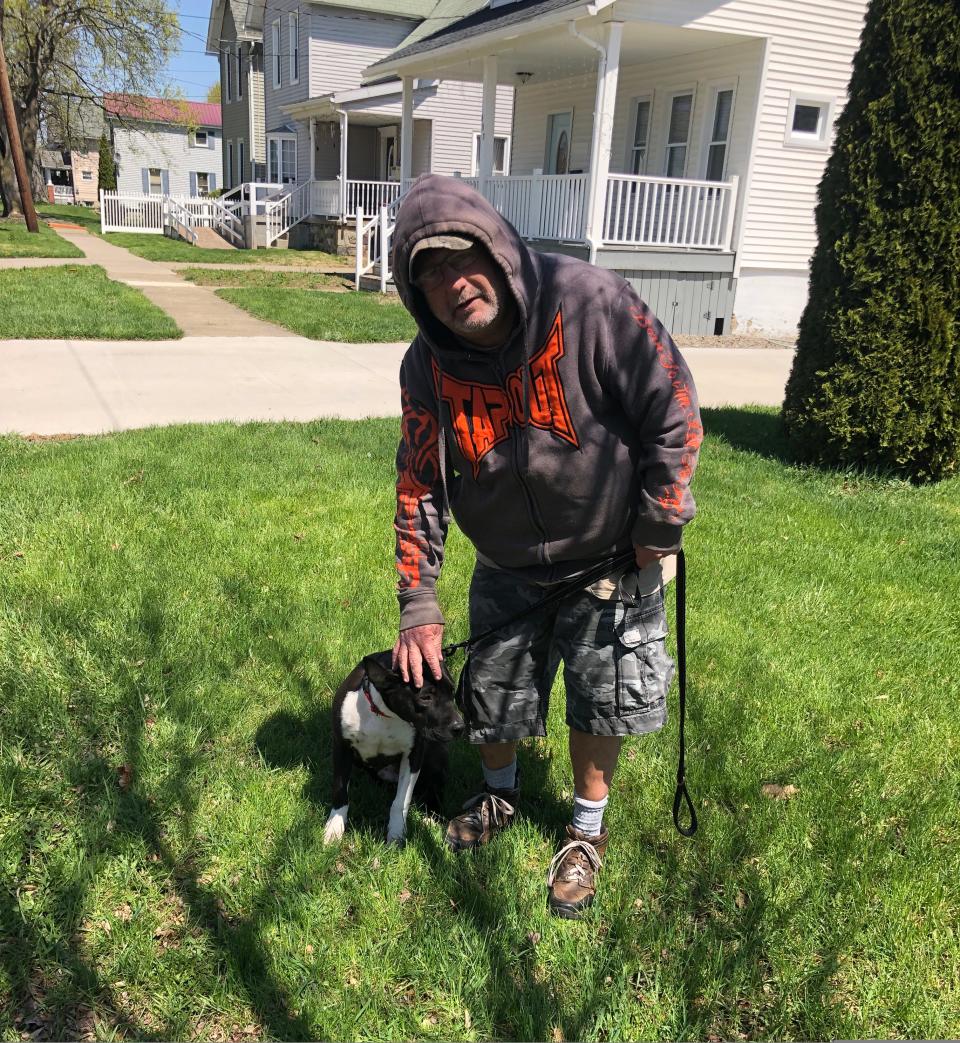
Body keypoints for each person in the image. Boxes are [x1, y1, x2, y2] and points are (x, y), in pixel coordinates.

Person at [389, 173, 702, 919]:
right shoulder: (425, 367)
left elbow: (676, 408)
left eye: (461, 258)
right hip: (504, 561)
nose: (453, 283)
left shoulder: (592, 301)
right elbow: (418, 480)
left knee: (603, 699)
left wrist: (659, 520)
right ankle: (500, 796)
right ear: (415, 295)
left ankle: (584, 835)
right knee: (494, 695)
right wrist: (418, 599)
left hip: (612, 553)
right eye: (429, 275)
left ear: (495, 249)